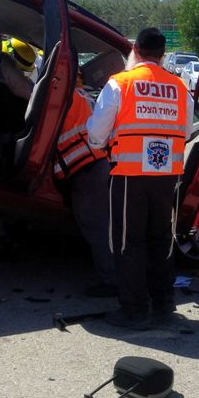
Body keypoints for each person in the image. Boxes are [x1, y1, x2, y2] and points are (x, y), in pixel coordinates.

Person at [86, 28, 193, 329]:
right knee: (162, 240)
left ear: (135, 49)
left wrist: (102, 141)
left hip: (129, 176)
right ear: (162, 53)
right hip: (168, 177)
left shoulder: (120, 83)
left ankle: (134, 310)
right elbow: (185, 132)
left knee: (128, 243)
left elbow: (96, 135)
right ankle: (163, 302)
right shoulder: (179, 86)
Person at [54, 72, 115, 297]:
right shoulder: (84, 96)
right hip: (93, 163)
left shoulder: (65, 98)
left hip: (85, 167)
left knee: (97, 227)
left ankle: (112, 281)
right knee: (100, 224)